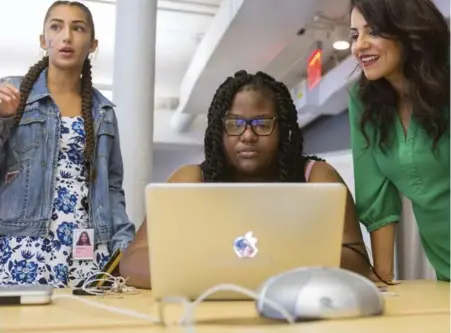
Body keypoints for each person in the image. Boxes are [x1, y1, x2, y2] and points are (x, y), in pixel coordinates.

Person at [119, 70, 372, 288]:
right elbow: (133, 262)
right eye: (235, 123)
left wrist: (267, 266)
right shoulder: (190, 180)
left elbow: (357, 262)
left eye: (262, 124)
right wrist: (224, 272)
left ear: (282, 129)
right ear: (220, 131)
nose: (248, 135)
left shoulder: (317, 177)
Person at [0, 1, 135, 287]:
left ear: (93, 43)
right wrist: (3, 119)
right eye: (56, 26)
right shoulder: (11, 94)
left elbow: (112, 188)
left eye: (78, 28)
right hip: (24, 247)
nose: (67, 36)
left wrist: (125, 244)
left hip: (87, 250)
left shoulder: (103, 112)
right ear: (43, 40)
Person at [348, 0, 450, 282]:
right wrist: (383, 280)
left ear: (409, 30)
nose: (360, 45)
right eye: (355, 35)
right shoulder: (363, 101)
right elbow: (375, 194)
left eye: (374, 31)